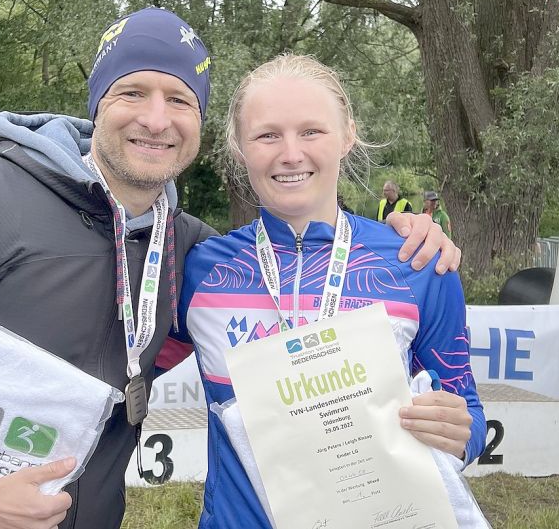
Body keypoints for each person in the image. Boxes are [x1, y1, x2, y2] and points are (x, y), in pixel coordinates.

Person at [0, 9, 457, 529]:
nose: (154, 118)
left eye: (179, 98)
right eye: (131, 92)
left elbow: (284, 263)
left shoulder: (191, 250)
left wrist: (399, 231)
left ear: (198, 122)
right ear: (95, 104)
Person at [171, 54, 485, 527]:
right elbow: (120, 374)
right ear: (239, 147)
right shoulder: (199, 270)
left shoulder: (417, 262)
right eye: (267, 134)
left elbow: (469, 414)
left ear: (347, 135)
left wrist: (458, 433)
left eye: (311, 131)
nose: (291, 153)